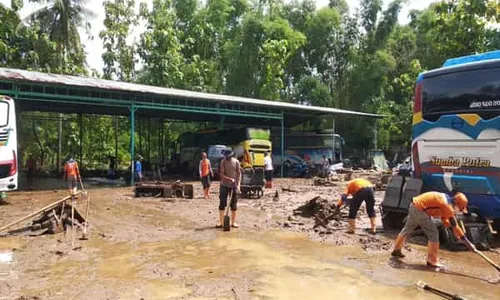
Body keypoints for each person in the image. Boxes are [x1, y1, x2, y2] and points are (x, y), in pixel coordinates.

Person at [391, 191, 476, 268]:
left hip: (414, 205)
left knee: (407, 229)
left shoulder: (446, 198)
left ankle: (396, 250)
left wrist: (450, 227)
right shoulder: (447, 206)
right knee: (433, 233)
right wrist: (468, 243)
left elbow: (444, 218)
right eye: (460, 209)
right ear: (456, 203)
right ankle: (432, 260)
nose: (460, 211)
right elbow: (455, 225)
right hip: (420, 210)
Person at [217, 149, 241, 228]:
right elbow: (222, 175)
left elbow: (239, 174)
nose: (226, 157)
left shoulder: (236, 162)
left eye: (227, 156)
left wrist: (238, 185)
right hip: (224, 185)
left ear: (231, 155)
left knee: (233, 204)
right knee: (222, 203)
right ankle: (220, 222)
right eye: (225, 156)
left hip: (234, 186)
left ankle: (233, 222)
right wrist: (230, 179)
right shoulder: (223, 162)